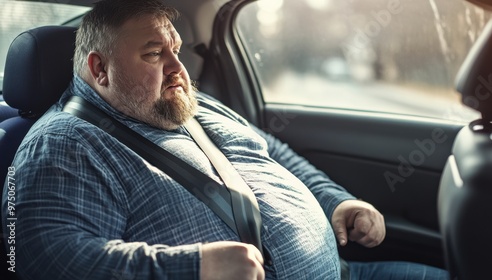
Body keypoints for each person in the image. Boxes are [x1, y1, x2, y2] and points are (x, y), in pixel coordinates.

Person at [2, 0, 449, 279]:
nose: (179, 68)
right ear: (100, 70)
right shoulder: (65, 143)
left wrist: (335, 201)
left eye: (176, 48)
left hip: (345, 269)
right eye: (155, 53)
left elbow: (274, 152)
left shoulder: (189, 102)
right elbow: (45, 259)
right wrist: (191, 269)